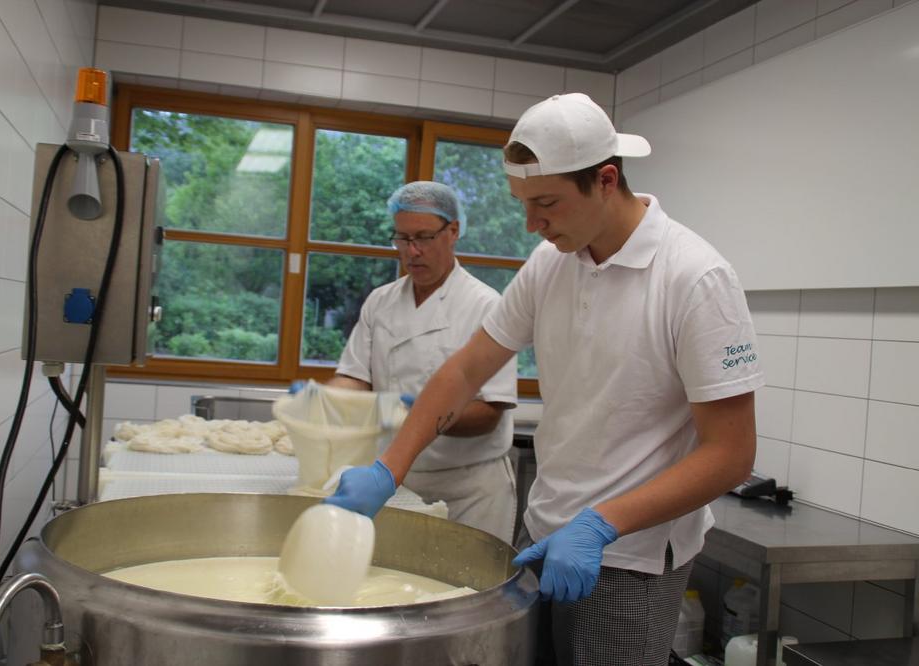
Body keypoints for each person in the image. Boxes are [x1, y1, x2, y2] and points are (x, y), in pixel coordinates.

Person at [323, 93, 764, 665]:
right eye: (523, 203)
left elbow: (731, 455)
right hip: (544, 531)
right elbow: (466, 368)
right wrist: (390, 467)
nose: (533, 223)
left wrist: (602, 524)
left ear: (606, 180)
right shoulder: (551, 261)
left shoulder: (694, 278)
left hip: (628, 553)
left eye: (548, 203)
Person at [327, 180, 519, 543]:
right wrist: (320, 399)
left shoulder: (485, 306)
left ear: (453, 231)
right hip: (396, 479)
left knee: (463, 591)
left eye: (424, 238)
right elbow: (355, 377)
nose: (412, 251)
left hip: (468, 489)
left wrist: (410, 413)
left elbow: (488, 415)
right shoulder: (380, 302)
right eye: (401, 239)